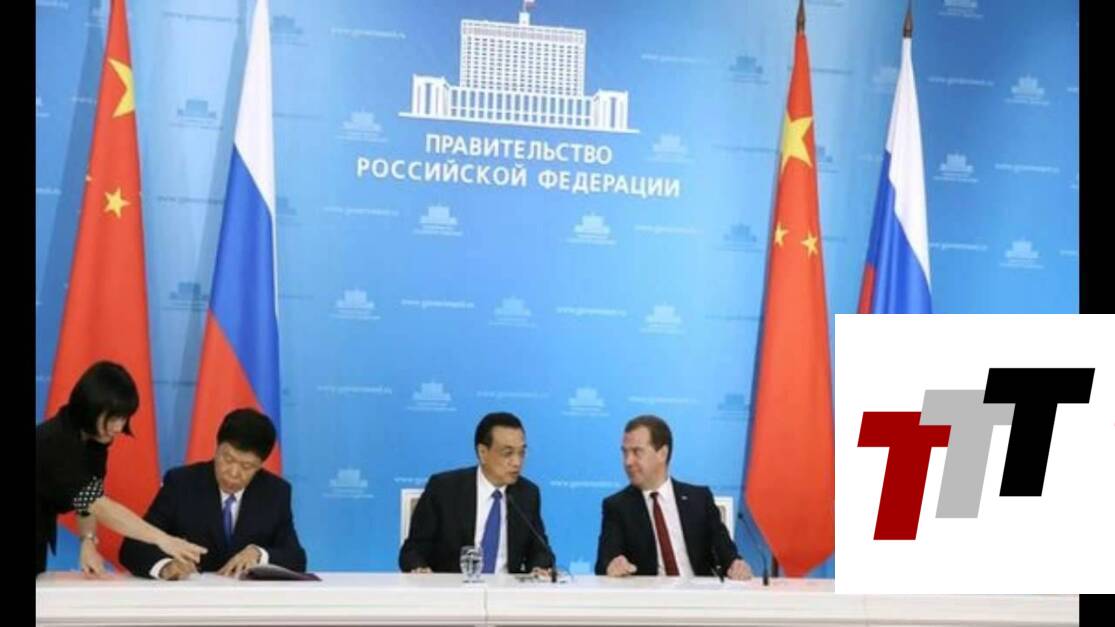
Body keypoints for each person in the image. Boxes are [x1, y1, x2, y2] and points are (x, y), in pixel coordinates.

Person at [35, 361, 207, 577]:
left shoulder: (94, 441)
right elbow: (98, 504)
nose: (119, 427)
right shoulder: (55, 442)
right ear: (90, 408)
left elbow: (86, 497)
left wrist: (88, 540)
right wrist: (162, 539)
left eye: (124, 418)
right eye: (114, 418)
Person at [120, 408, 306, 579]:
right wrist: (167, 567)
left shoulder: (275, 492)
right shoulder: (181, 483)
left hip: (248, 600)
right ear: (217, 449)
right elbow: (133, 547)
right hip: (191, 596)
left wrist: (259, 554)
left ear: (260, 466)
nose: (233, 472)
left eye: (246, 466)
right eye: (227, 459)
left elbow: (296, 558)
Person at [595, 414, 752, 580]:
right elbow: (605, 563)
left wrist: (736, 565)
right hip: (650, 594)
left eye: (637, 452)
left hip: (699, 592)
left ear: (662, 453)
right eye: (625, 453)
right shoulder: (617, 506)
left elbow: (728, 555)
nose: (628, 461)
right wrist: (612, 565)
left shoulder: (699, 499)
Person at [399, 412, 553, 576]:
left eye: (521, 453)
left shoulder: (527, 494)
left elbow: (540, 551)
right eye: (508, 453)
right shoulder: (444, 489)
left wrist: (539, 567)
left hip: (506, 589)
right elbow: (412, 551)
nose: (517, 462)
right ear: (482, 452)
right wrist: (420, 569)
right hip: (452, 588)